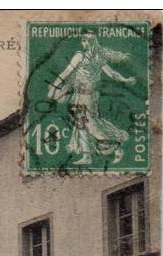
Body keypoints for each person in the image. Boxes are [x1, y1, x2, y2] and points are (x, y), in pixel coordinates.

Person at [46, 31, 136, 166]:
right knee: (80, 124)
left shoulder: (87, 56)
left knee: (90, 123)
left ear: (90, 42)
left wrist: (54, 87)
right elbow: (111, 74)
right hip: (82, 94)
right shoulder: (90, 57)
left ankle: (116, 147)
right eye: (82, 41)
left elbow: (67, 72)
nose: (83, 44)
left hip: (87, 95)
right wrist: (125, 79)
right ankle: (86, 155)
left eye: (85, 41)